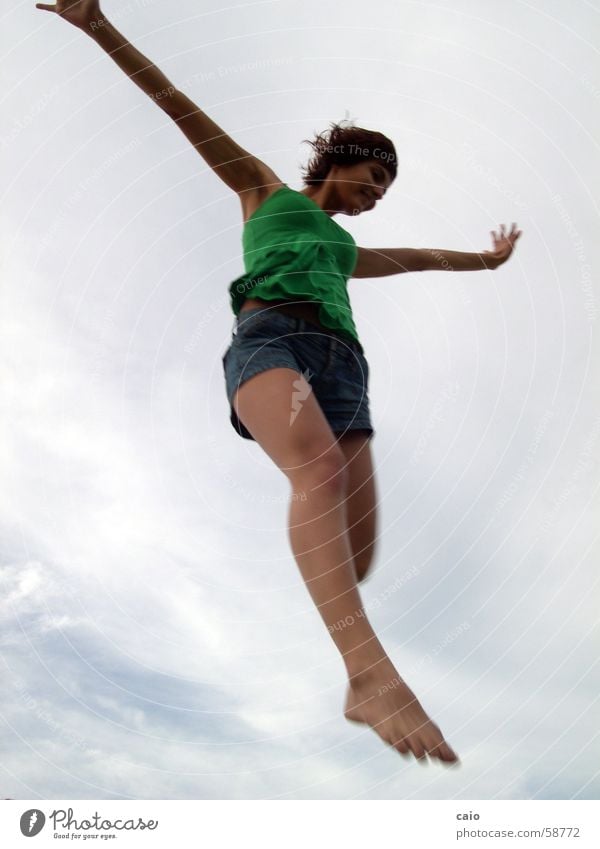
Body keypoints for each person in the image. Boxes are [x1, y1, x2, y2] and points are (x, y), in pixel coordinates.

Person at [36, 0, 522, 767]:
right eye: (375, 176)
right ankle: (367, 674)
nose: (378, 193)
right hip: (272, 341)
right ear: (341, 160)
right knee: (318, 474)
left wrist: (485, 261)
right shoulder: (265, 192)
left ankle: (352, 642)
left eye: (388, 189)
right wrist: (98, 25)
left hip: (344, 368)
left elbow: (423, 256)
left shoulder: (345, 251)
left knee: (355, 552)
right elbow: (176, 106)